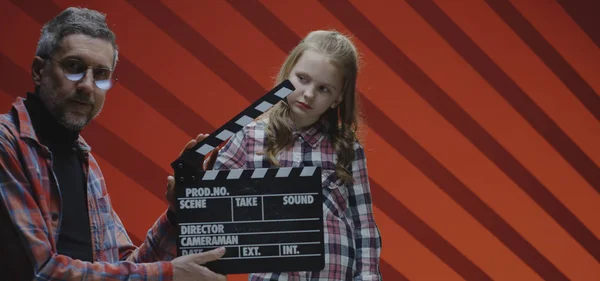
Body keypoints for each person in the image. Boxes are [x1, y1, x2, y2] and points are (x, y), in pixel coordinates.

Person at [0, 7, 226, 281]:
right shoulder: (7, 145)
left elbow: (125, 265)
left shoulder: (86, 164)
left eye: (101, 74)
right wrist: (168, 274)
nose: (87, 85)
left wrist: (178, 210)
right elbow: (42, 271)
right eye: (74, 67)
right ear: (39, 70)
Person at [212, 30, 382, 280]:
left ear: (338, 98)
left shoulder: (348, 149)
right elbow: (214, 200)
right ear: (287, 74)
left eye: (324, 88)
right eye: (302, 79)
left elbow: (363, 225)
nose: (309, 93)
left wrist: (367, 277)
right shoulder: (252, 137)